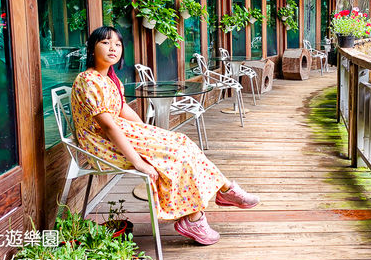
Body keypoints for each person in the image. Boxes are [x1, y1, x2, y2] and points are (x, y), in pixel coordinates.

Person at [70, 26, 259, 245]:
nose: (113, 48)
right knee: (176, 153)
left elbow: (123, 110)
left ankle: (223, 190)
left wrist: (150, 134)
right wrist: (138, 162)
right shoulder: (88, 80)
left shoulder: (112, 80)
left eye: (118, 44)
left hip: (119, 134)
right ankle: (197, 215)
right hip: (102, 144)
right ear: (92, 49)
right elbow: (108, 126)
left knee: (181, 142)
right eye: (105, 43)